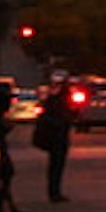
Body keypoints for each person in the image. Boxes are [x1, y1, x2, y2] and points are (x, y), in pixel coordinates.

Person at [36, 75, 76, 204]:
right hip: (56, 138)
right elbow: (61, 120)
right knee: (56, 166)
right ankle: (54, 192)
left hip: (58, 137)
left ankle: (54, 191)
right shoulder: (58, 103)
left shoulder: (55, 102)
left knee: (55, 166)